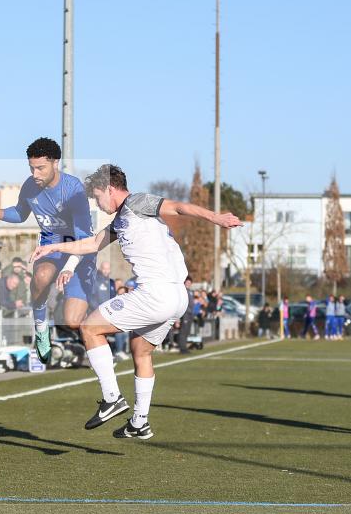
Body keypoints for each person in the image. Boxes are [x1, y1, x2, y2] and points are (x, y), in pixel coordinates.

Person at [30, 163, 241, 440]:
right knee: (140, 351)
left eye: (97, 197)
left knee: (90, 328)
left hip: (156, 294)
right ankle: (139, 422)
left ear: (109, 188)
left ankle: (112, 398)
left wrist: (216, 218)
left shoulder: (136, 202)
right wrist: (52, 247)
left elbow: (178, 207)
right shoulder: (119, 221)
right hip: (178, 297)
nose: (97, 204)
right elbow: (91, 244)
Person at [0, 137, 94, 363]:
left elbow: (84, 238)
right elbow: (21, 213)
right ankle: (41, 327)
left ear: (55, 163)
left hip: (79, 250)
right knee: (40, 276)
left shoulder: (73, 189)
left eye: (41, 168)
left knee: (72, 320)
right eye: (31, 168)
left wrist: (69, 267)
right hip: (50, 246)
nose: (35, 174)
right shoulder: (30, 186)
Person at [176, 276, 195, 353]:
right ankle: (182, 348)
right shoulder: (183, 291)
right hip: (185, 314)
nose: (188, 284)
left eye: (189, 282)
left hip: (190, 313)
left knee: (187, 331)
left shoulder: (190, 291)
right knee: (183, 331)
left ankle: (184, 347)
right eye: (187, 282)